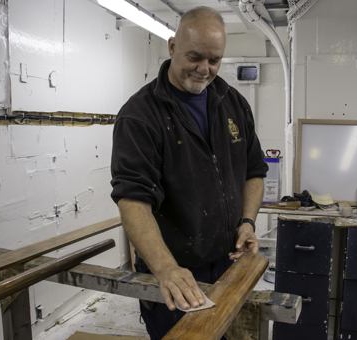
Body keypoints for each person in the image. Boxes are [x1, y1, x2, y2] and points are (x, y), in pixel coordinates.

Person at [110, 6, 268, 340]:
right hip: (175, 270)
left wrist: (248, 221)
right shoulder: (140, 116)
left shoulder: (233, 102)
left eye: (214, 60)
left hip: (229, 261)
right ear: (171, 48)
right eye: (195, 57)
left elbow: (254, 170)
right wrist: (165, 268)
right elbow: (133, 201)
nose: (204, 69)